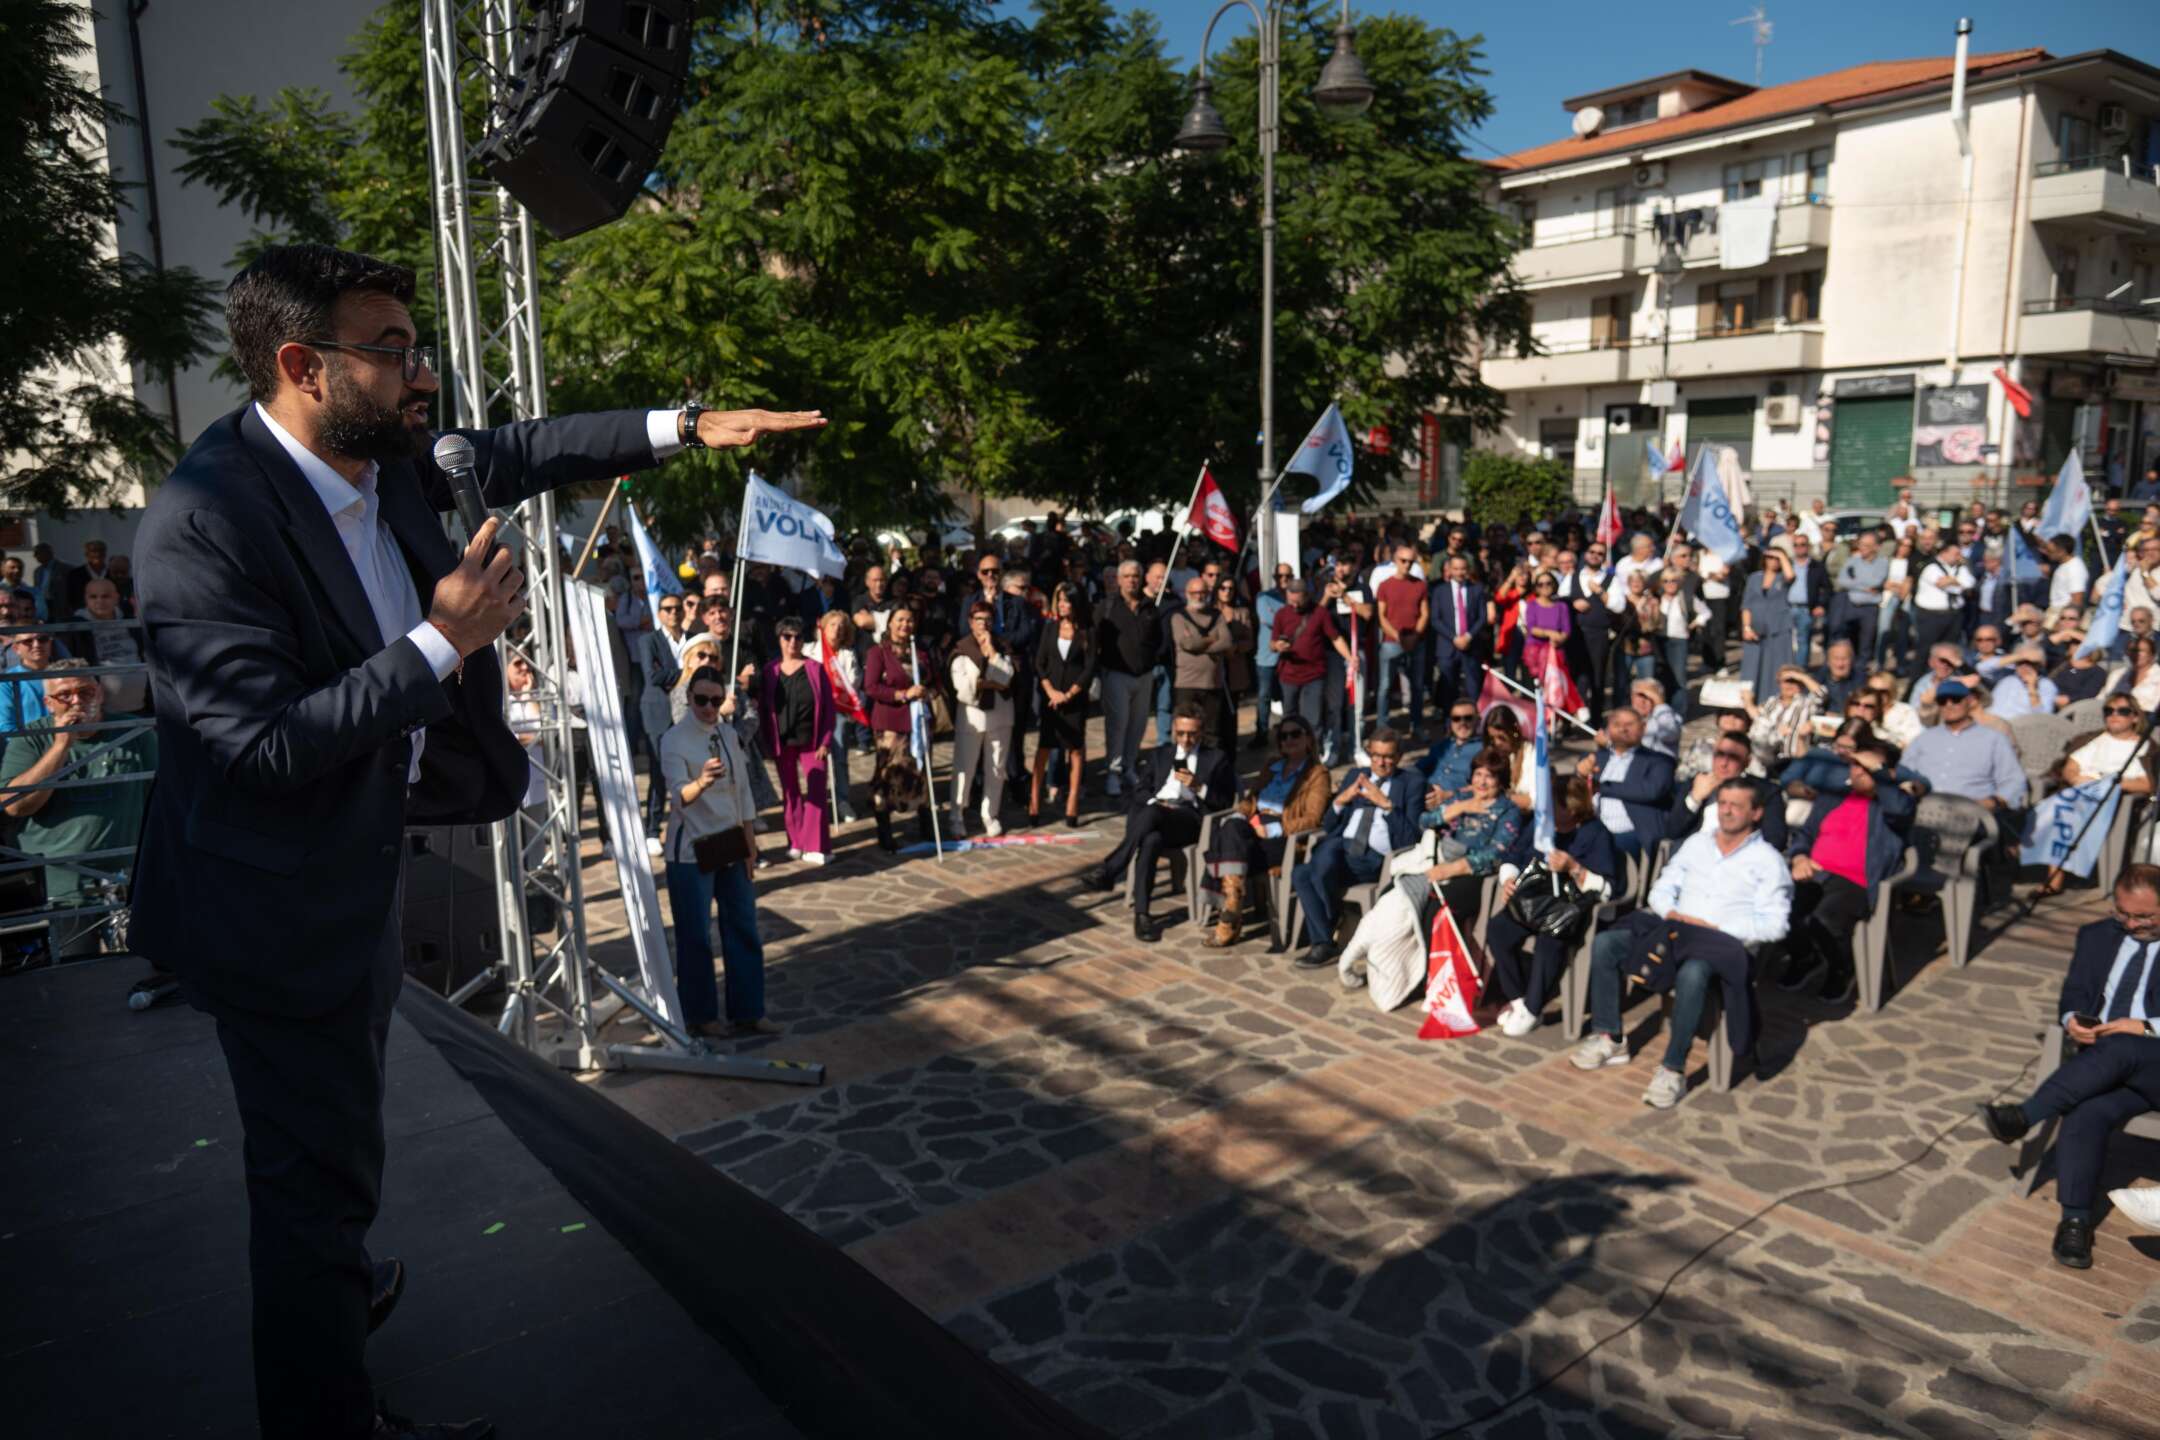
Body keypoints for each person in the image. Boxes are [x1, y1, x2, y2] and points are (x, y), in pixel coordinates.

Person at [128, 243, 821, 1440]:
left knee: (340, 1144)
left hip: (355, 865)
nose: (422, 375)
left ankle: (336, 1288)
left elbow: (529, 449)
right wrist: (440, 645)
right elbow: (262, 749)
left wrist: (688, 423)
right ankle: (324, 1387)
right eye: (390, 351)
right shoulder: (202, 524)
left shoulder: (388, 464)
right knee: (307, 1182)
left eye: (418, 345)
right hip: (270, 907)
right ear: (301, 365)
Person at [1570, 778, 1792, 1109]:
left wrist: (1716, 926)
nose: (1726, 811)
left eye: (1736, 805)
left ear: (1757, 813)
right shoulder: (1697, 844)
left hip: (1720, 941)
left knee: (1694, 972)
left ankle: (1672, 1068)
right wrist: (1671, 911)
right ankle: (1609, 1036)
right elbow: (1662, 887)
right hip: (1675, 928)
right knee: (1607, 943)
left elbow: (1775, 924)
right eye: (1723, 803)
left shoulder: (1767, 861)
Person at [1979, 864, 2160, 1270]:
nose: (2131, 924)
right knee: (2086, 1109)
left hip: (2155, 1063)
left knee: (2125, 1044)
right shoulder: (2097, 936)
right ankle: (2074, 1220)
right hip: (2107, 1066)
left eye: (2144, 916)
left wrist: (2145, 1027)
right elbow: (2073, 996)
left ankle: (2025, 1116)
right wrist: (2073, 1021)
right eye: (2123, 913)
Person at [0, 660, 158, 956]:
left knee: (141, 962)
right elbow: (15, 806)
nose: (77, 701)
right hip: (64, 888)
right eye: (65, 695)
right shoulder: (31, 739)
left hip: (130, 879)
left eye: (85, 692)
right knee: (77, 973)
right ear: (48, 703)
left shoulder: (132, 732)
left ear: (99, 693)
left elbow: (163, 794)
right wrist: (60, 747)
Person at [662, 665, 778, 1042]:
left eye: (715, 700)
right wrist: (702, 781)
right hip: (692, 848)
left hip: (730, 840)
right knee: (695, 937)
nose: (709, 708)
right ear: (688, 698)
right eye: (701, 700)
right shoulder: (674, 739)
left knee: (743, 926)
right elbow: (679, 797)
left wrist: (750, 845)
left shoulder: (728, 734)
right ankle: (701, 1015)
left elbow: (742, 792)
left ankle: (749, 1010)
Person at [1079, 699, 1235, 942]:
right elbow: (1140, 791)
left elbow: (1224, 802)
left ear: (1201, 732)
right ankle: (1142, 915)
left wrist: (1199, 787)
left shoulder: (1215, 758)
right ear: (1174, 730)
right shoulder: (1162, 754)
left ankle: (1110, 869)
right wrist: (1155, 801)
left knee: (1150, 816)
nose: (1185, 740)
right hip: (1156, 816)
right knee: (1151, 839)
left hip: (1189, 820)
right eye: (1181, 733)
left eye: (1192, 734)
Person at [1778, 737, 1919, 1002]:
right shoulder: (1834, 796)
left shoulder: (1896, 803)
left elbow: (1900, 811)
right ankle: (1805, 957)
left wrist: (1881, 778)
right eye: (1855, 765)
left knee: (1826, 918)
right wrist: (1799, 858)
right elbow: (1806, 834)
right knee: (1779, 908)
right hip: (1815, 870)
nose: (1856, 772)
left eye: (1866, 768)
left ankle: (1841, 967)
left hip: (1857, 880)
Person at [1486, 777, 1623, 1038]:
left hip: (1567, 910)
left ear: (1572, 810)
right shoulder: (1542, 824)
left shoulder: (1595, 833)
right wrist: (1508, 879)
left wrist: (1574, 868)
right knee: (1499, 928)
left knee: (1550, 942)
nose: (1547, 813)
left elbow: (1609, 887)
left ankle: (1533, 1008)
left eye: (1555, 808)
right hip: (1535, 902)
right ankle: (1518, 1000)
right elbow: (1514, 855)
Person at [1291, 726, 1422, 966]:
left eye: (1388, 757)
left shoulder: (1410, 783)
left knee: (1314, 866)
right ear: (1369, 754)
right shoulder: (1355, 776)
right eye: (1376, 756)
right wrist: (1341, 801)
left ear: (1399, 757)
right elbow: (1330, 825)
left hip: (1374, 858)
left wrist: (1387, 805)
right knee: (1306, 869)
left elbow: (1410, 839)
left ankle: (1325, 934)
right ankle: (1324, 943)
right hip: (1342, 850)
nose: (1381, 763)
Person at [1201, 719, 1330, 948]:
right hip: (1252, 829)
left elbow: (1313, 818)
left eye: (1295, 734)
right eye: (1283, 736)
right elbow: (1251, 800)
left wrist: (1273, 828)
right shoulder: (1272, 765)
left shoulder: (1317, 774)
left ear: (1309, 739)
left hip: (1285, 837)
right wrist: (1241, 815)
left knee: (1224, 840)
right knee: (1231, 825)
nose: (1288, 740)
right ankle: (1233, 902)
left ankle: (1230, 916)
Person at [1414, 748, 1523, 935]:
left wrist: (1450, 869)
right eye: (1478, 774)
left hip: (1474, 876)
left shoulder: (1508, 811)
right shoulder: (1461, 798)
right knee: (1398, 894)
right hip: (1438, 864)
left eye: (1489, 776)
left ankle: (1433, 963)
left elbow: (1496, 853)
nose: (1481, 781)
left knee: (1434, 909)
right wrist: (1459, 808)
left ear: (1500, 780)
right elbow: (1423, 822)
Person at [759, 617, 835, 864]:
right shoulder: (769, 671)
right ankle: (796, 841)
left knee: (816, 791)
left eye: (798, 637)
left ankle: (816, 845)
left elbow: (828, 709)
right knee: (791, 793)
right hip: (782, 741)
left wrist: (825, 740)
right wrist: (767, 744)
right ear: (779, 639)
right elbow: (762, 709)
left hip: (812, 741)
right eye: (787, 637)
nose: (793, 642)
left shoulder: (815, 669)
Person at [863, 604, 937, 852]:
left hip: (918, 723)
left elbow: (935, 682)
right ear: (890, 623)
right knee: (887, 777)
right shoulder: (878, 653)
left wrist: (927, 692)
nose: (905, 624)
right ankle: (884, 829)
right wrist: (903, 694)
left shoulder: (921, 652)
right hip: (890, 727)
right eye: (900, 620)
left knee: (921, 774)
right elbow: (871, 687)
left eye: (910, 620)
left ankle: (926, 824)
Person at [948, 599, 1016, 838]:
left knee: (996, 768)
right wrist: (986, 683)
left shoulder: (1002, 646)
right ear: (970, 622)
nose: (984, 624)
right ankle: (957, 814)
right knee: (964, 768)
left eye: (988, 619)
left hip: (1000, 716)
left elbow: (1007, 678)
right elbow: (962, 687)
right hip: (972, 717)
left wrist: (993, 655)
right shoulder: (962, 648)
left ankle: (990, 813)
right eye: (979, 619)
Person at [1032, 582, 1095, 828]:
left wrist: (1069, 694)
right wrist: (1051, 691)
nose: (1062, 605)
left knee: (1075, 750)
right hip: (1051, 700)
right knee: (1044, 748)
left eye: (1067, 601)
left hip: (1075, 700)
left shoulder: (1088, 631)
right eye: (1059, 600)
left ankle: (1072, 804)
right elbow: (1040, 663)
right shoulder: (1050, 628)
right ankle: (1035, 801)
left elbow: (1089, 667)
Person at [1578, 706, 1675, 859]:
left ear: (1643, 727)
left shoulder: (1659, 761)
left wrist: (1603, 787)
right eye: (1616, 724)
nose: (1623, 729)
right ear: (1608, 728)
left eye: (1629, 724)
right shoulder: (1594, 758)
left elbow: (1651, 791)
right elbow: (1574, 792)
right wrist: (1580, 775)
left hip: (1631, 835)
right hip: (1591, 829)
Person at [1095, 559, 1157, 798]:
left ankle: (1129, 767)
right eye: (1128, 576)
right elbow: (1095, 637)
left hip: (1144, 675)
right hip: (1117, 674)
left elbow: (1158, 638)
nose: (1132, 580)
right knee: (1117, 725)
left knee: (1138, 725)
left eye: (1136, 576)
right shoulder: (1108, 607)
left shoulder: (1149, 606)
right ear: (1119, 580)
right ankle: (1113, 771)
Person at [1270, 576, 1351, 737]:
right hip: (1289, 676)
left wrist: (1350, 657)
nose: (1294, 606)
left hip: (1314, 676)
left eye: (1298, 602)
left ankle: (1312, 754)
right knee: (1289, 719)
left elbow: (1335, 638)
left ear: (1307, 596)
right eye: (1291, 601)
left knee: (1312, 720)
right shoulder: (1281, 614)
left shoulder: (1320, 613)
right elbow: (1272, 642)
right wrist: (1277, 646)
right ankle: (1290, 753)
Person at [1168, 573, 1233, 751]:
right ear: (1187, 593)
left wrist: (1200, 645)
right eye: (1195, 592)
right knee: (1183, 731)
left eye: (1203, 592)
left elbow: (1226, 642)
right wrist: (1212, 639)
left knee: (1211, 732)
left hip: (1212, 683)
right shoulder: (1179, 617)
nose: (1199, 596)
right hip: (1187, 683)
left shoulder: (1216, 615)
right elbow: (1187, 643)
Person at [1375, 544, 1430, 734]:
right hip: (1391, 643)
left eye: (1410, 561)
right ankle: (1382, 726)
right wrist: (1398, 636)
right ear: (1395, 561)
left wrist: (1415, 636)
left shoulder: (1420, 585)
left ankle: (1417, 724)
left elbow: (1424, 613)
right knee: (1385, 686)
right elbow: (1381, 616)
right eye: (1403, 560)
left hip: (1416, 642)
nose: (1406, 565)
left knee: (1417, 685)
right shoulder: (1385, 586)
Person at [1430, 555, 1490, 714]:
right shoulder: (1439, 591)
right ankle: (1449, 722)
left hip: (1471, 645)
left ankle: (1474, 721)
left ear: (1468, 569)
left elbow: (1482, 617)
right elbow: (1435, 620)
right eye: (1456, 568)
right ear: (1449, 570)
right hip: (1448, 646)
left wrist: (1468, 636)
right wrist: (1454, 638)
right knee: (1448, 687)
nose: (1460, 572)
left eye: (1463, 568)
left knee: (1473, 687)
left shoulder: (1476, 589)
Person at [1740, 548, 1796, 703]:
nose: (1773, 561)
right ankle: (1754, 700)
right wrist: (1746, 627)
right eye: (1769, 558)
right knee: (1753, 667)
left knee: (1778, 665)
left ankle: (1777, 698)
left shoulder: (1781, 578)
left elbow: (1791, 576)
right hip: (1756, 629)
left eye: (1776, 559)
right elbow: (1746, 605)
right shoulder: (1754, 578)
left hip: (1779, 627)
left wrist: (1781, 554)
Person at [1742, 665, 1824, 769]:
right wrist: (1748, 701)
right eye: (1786, 681)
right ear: (1779, 683)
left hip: (1793, 759)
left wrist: (1800, 676)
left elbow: (1822, 695)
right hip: (1765, 758)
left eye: (1794, 681)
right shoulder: (1771, 702)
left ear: (1802, 684)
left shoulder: (1807, 703)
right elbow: (1757, 717)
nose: (1789, 685)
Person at [1418, 701, 1484, 801]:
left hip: (1456, 804)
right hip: (1425, 795)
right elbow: (1417, 769)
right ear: (1450, 722)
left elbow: (1485, 787)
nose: (1462, 723)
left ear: (1477, 720)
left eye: (1468, 718)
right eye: (1456, 719)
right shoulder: (1443, 745)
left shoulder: (1483, 750)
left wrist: (1450, 794)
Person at [1519, 569, 1571, 688]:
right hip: (1535, 654)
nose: (1545, 587)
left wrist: (1559, 639)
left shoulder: (1561, 606)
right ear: (1536, 588)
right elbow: (1531, 628)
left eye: (1548, 583)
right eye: (1540, 584)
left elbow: (1566, 630)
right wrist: (1551, 634)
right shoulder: (1531, 605)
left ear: (1554, 585)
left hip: (1555, 652)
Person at [1630, 677, 1681, 758]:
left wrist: (1660, 705)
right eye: (1640, 696)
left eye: (1648, 697)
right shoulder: (1623, 719)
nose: (1643, 701)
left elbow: (1670, 733)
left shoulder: (1671, 718)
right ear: (1632, 698)